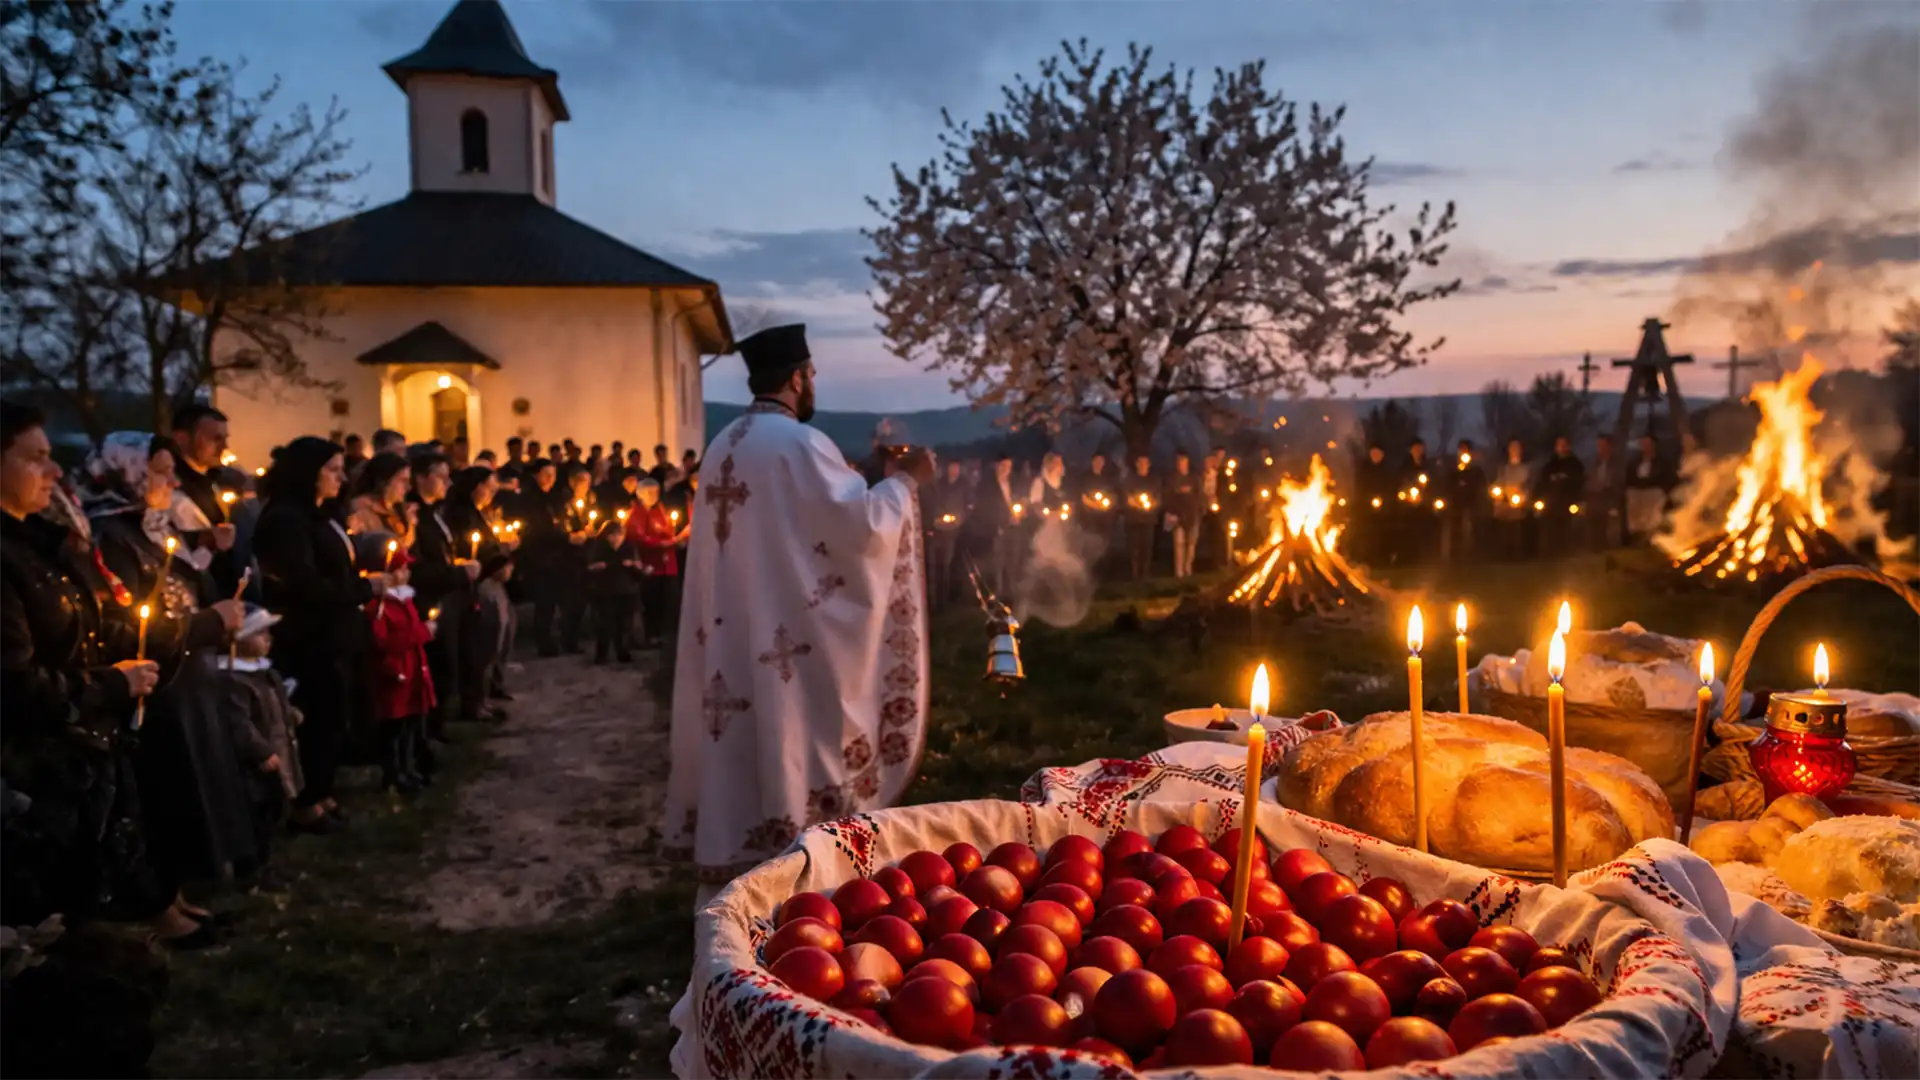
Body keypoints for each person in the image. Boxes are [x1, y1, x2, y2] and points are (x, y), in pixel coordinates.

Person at [665, 324, 933, 904]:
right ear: (796, 378)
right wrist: (904, 484)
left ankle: (736, 893)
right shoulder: (798, 445)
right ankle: (797, 886)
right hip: (785, 641)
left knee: (741, 742)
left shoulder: (723, 445)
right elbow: (860, 530)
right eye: (810, 375)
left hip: (730, 636)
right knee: (792, 737)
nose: (813, 385)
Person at [1, 402, 172, 1080]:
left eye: (51, 455)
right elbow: (14, 686)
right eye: (33, 457)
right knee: (47, 938)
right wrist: (110, 682)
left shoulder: (38, 543)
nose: (53, 470)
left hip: (74, 763)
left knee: (77, 924)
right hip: (30, 777)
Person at [83, 432, 253, 938]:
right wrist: (205, 624)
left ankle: (176, 897)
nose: (173, 482)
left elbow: (186, 585)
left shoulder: (149, 527)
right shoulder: (109, 537)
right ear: (126, 472)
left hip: (184, 674)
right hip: (156, 684)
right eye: (160, 471)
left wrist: (209, 556)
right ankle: (160, 911)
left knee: (187, 785)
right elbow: (130, 622)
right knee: (163, 790)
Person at [252, 437, 384, 831]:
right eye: (332, 469)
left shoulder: (320, 514)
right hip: (308, 638)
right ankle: (305, 802)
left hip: (335, 633)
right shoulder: (286, 520)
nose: (341, 478)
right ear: (307, 472)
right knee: (315, 717)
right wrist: (366, 589)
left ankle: (323, 791)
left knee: (333, 716)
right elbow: (302, 585)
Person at [214, 604, 303, 895]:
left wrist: (289, 713)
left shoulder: (265, 673)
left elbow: (275, 701)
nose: (269, 638)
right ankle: (250, 871)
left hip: (278, 753)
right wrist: (260, 752)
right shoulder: (233, 682)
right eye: (260, 632)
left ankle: (266, 863)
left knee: (274, 810)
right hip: (256, 767)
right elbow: (239, 724)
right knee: (255, 816)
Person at [361, 543, 434, 795]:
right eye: (400, 569)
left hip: (412, 669)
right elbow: (384, 642)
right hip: (394, 674)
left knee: (410, 724)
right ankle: (393, 774)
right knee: (393, 727)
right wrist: (423, 632)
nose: (406, 574)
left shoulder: (406, 599)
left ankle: (407, 768)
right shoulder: (379, 607)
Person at [169, 403, 242, 594]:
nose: (225, 447)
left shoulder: (216, 480)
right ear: (182, 439)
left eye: (225, 439)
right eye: (216, 439)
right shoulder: (170, 487)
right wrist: (204, 541)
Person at [585, 516, 638, 663]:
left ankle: (623, 652)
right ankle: (602, 654)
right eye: (612, 535)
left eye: (619, 535)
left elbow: (637, 568)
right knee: (605, 624)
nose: (616, 538)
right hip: (606, 591)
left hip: (625, 590)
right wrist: (597, 567)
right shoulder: (599, 548)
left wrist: (634, 565)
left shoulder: (629, 547)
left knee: (624, 624)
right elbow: (589, 567)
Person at [968, 454, 1020, 595]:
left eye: (1009, 467)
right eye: (1003, 466)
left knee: (1012, 562)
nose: (1006, 470)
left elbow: (1014, 502)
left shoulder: (1010, 483)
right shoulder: (986, 485)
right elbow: (985, 508)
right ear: (996, 466)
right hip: (995, 530)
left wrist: (1019, 513)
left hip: (1011, 529)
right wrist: (1002, 520)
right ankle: (996, 594)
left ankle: (1011, 593)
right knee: (997, 564)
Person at [346, 453, 416, 548]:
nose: (408, 487)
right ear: (383, 481)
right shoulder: (360, 511)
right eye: (402, 480)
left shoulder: (399, 511)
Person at [924, 459, 969, 605]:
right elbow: (933, 504)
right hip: (938, 530)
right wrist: (937, 519)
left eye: (956, 467)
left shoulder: (963, 485)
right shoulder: (939, 484)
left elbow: (967, 505)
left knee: (949, 565)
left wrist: (959, 518)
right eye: (951, 467)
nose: (954, 470)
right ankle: (934, 598)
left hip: (955, 531)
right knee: (936, 566)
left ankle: (948, 597)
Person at [1536, 436, 1585, 555]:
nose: (1561, 447)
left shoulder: (1575, 465)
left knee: (1565, 527)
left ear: (1568, 446)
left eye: (1564, 444)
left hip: (1567, 502)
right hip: (1551, 502)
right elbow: (1542, 483)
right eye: (1559, 444)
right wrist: (1538, 499)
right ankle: (1550, 552)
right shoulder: (1549, 465)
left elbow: (1579, 483)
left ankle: (1565, 551)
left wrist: (1578, 500)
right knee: (1550, 528)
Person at [1624, 433, 1675, 544]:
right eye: (1643, 444)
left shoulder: (1662, 462)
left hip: (1654, 491)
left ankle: (1652, 536)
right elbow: (1630, 478)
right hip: (1638, 492)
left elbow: (1665, 478)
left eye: (1648, 444)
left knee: (1653, 512)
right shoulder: (1635, 462)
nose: (1645, 447)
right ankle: (1637, 536)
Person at [1163, 451, 1204, 579]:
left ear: (1187, 462)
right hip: (1178, 516)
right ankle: (1179, 571)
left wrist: (1199, 511)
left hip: (1192, 515)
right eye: (1179, 462)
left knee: (1191, 543)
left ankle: (1188, 568)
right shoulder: (1172, 479)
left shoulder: (1194, 478)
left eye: (1183, 461)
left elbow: (1200, 496)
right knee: (1179, 543)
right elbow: (1167, 497)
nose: (1181, 464)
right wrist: (1172, 512)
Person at [1492, 438, 1533, 561]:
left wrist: (1522, 497)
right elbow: (1497, 483)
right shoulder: (1503, 469)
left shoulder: (1526, 469)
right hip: (1503, 505)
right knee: (1503, 531)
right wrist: (1497, 491)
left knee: (1516, 530)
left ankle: (1516, 555)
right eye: (1512, 448)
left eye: (1516, 448)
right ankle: (1502, 555)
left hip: (1517, 504)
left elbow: (1528, 485)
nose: (1514, 450)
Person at [1585, 433, 1623, 550]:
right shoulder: (1595, 462)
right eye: (1599, 445)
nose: (1600, 448)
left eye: (1603, 445)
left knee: (1605, 520)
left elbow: (1618, 480)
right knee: (1593, 518)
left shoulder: (1616, 462)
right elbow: (1589, 478)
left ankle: (1606, 544)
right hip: (1594, 494)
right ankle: (1595, 544)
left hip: (1608, 494)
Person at [1124, 454, 1159, 580]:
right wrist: (1136, 504)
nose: (1143, 465)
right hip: (1133, 519)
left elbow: (1158, 498)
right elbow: (1127, 497)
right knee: (1134, 547)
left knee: (1147, 546)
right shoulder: (1130, 479)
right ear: (1136, 464)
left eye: (1145, 462)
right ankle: (1134, 573)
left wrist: (1150, 505)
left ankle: (1145, 573)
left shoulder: (1154, 480)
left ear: (1149, 464)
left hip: (1148, 519)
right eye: (1140, 462)